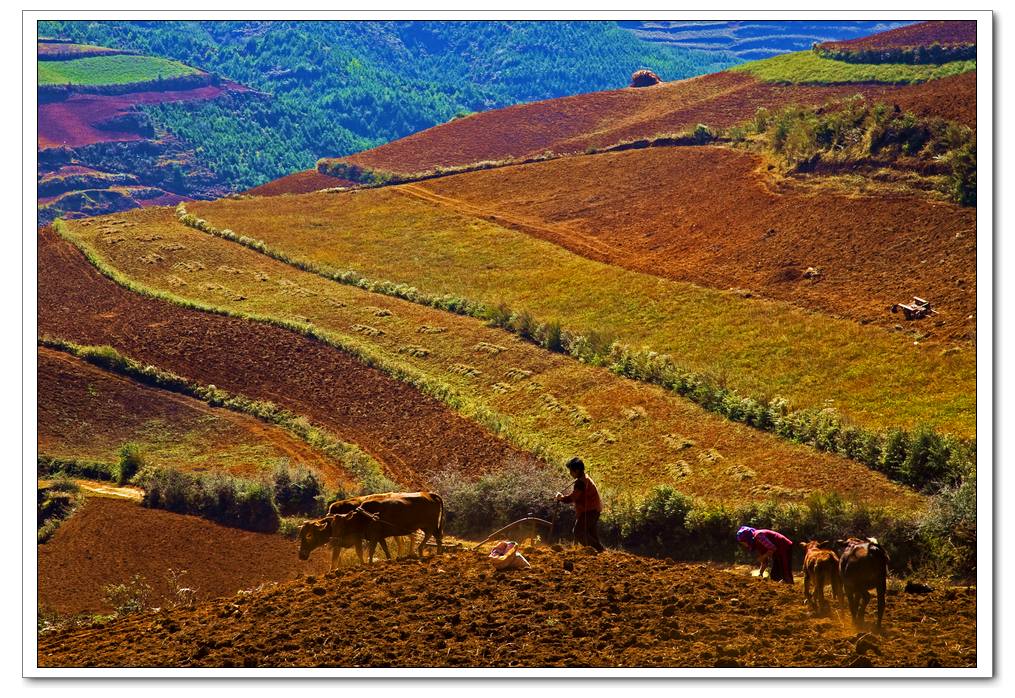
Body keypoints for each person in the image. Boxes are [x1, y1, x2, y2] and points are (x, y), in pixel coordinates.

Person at [555, 457, 604, 553]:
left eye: (571, 471)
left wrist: (561, 498)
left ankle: (597, 550)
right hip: (594, 509)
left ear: (577, 470)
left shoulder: (581, 482)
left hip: (589, 511)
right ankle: (600, 553)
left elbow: (573, 498)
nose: (570, 473)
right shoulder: (584, 478)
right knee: (591, 533)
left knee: (578, 532)